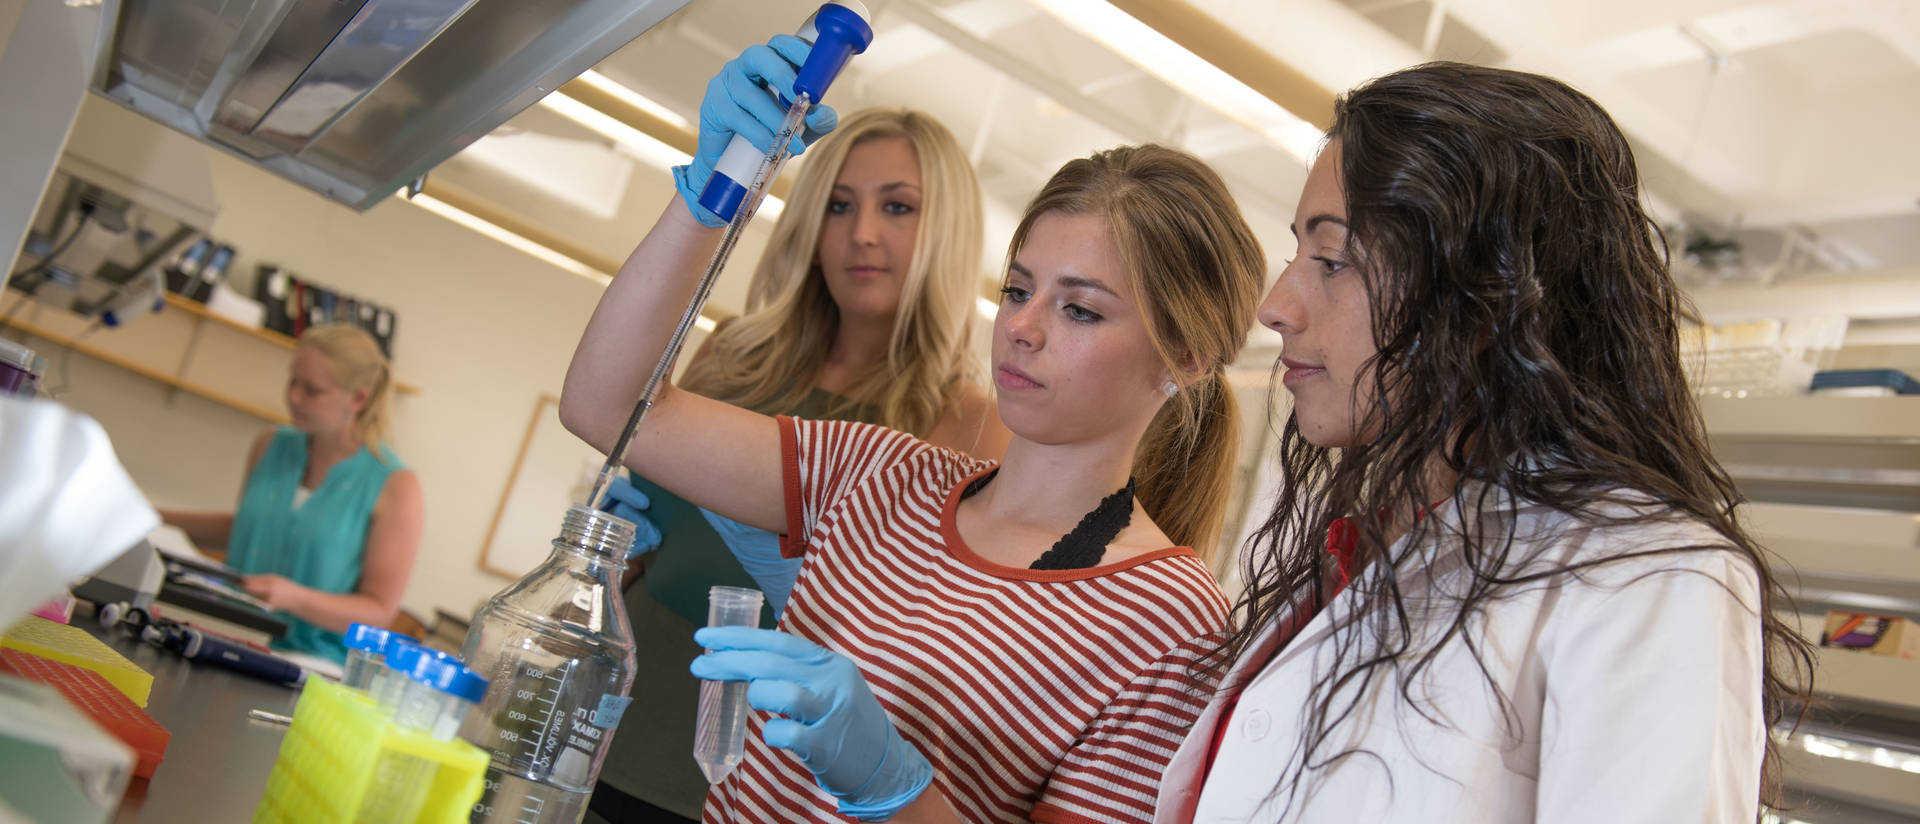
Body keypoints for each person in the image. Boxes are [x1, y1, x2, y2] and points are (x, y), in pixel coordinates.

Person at [560, 37, 1265, 824]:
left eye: (1079, 308)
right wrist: (721, 182)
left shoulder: (1172, 625)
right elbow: (609, 405)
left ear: (1188, 357)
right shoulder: (878, 472)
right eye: (1020, 289)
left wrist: (894, 788)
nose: (1023, 329)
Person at [1153, 62, 1813, 823]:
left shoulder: (1647, 577)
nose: (1276, 305)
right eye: (1299, 252)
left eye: (1332, 261)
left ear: (1485, 297)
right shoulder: (1358, 549)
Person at [587, 102, 1011, 822]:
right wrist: (609, 549)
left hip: (763, 777)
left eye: (898, 207)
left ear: (948, 230)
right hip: (613, 720)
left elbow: (937, 651)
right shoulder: (734, 355)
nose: (862, 234)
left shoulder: (971, 423)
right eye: (838, 205)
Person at [159, 324, 423, 664]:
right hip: (225, 632)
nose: (293, 397)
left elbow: (379, 612)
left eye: (312, 390)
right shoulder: (270, 444)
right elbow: (247, 527)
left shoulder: (395, 486)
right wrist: (152, 516)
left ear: (358, 398)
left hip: (309, 659)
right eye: (292, 381)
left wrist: (295, 598)